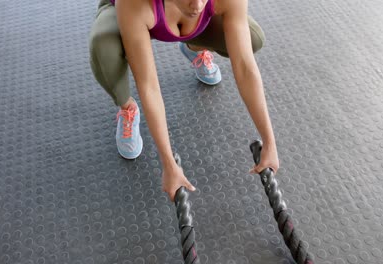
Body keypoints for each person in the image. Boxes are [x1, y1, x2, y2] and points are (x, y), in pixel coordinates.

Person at [89, 0, 279, 201]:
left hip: (180, 18)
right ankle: (127, 107)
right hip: (138, 12)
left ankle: (195, 45)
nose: (197, 4)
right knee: (103, 46)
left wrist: (269, 140)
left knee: (252, 38)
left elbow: (245, 68)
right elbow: (149, 86)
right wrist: (169, 164)